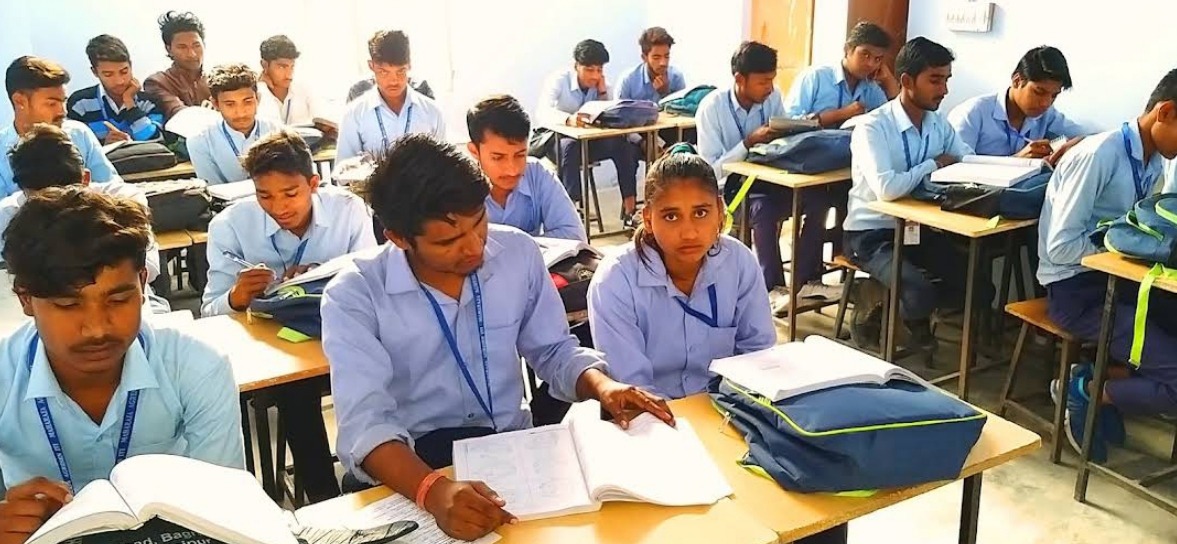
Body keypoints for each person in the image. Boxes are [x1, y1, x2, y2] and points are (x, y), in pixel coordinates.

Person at [321, 133, 674, 541]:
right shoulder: (355, 294)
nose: (474, 247)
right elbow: (366, 425)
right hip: (415, 465)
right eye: (448, 241)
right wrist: (431, 490)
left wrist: (603, 386)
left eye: (479, 224)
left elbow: (554, 351)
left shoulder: (518, 253)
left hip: (512, 453)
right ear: (398, 238)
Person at [0, 187, 244, 542]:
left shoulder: (198, 367)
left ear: (142, 283)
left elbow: (230, 510)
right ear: (25, 299)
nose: (97, 328)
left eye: (118, 300)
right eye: (68, 305)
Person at [201, 129, 375, 502]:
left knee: (388, 369)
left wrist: (326, 277)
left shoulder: (348, 210)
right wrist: (237, 296)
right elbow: (210, 310)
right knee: (296, 392)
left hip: (343, 332)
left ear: (313, 184)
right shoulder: (229, 226)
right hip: (279, 351)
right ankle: (323, 497)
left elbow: (374, 280)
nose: (278, 206)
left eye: (290, 193)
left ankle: (373, 474)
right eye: (264, 195)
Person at [1037, 69, 1177, 462]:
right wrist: (1124, 252)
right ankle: (1087, 391)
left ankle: (1096, 380)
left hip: (1121, 284)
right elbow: (1061, 247)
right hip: (1077, 292)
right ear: (1166, 112)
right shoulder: (1098, 155)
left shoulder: (1154, 160)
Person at [842, 37, 988, 358]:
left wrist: (1016, 165)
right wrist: (933, 164)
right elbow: (887, 189)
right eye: (935, 80)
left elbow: (966, 160)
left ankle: (896, 305)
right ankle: (894, 306)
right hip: (870, 234)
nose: (944, 90)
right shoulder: (873, 127)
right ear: (907, 81)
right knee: (918, 290)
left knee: (976, 283)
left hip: (915, 229)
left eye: (947, 80)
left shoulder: (938, 123)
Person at [696, 41, 840, 312]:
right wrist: (748, 143)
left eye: (772, 80)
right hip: (731, 191)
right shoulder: (711, 108)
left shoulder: (772, 99)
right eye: (763, 82)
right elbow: (710, 172)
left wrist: (793, 131)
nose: (770, 88)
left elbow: (784, 137)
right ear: (739, 79)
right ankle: (772, 288)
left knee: (818, 200)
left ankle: (806, 280)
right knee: (763, 209)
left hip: (771, 180)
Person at [0, 123, 166, 313]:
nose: (54, 213)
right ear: (23, 191)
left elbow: (149, 267)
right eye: (40, 203)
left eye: (66, 199)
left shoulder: (121, 203)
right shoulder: (8, 215)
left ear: (85, 180)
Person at [538, 39, 641, 228]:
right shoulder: (559, 80)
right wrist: (568, 119)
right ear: (576, 66)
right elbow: (542, 112)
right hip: (558, 142)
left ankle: (630, 212)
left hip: (589, 143)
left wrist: (602, 94)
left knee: (623, 147)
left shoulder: (602, 85)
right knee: (570, 147)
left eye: (599, 70)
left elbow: (614, 117)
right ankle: (572, 212)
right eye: (589, 70)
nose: (594, 76)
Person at [466, 95, 584, 241]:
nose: (513, 170)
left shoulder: (537, 174)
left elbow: (574, 236)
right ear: (474, 151)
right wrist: (529, 246)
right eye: (498, 157)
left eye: (520, 155)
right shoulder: (459, 190)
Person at [1, 56, 119, 196]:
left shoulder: (79, 134)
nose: (62, 112)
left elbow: (112, 189)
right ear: (19, 101)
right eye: (51, 104)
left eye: (63, 102)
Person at [949, 46, 1086, 164]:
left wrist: (1070, 146)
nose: (1046, 103)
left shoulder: (1047, 115)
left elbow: (1090, 139)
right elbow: (955, 169)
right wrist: (1016, 161)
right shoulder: (972, 113)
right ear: (1017, 81)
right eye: (1039, 92)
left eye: (1054, 95)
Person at [336, 30, 445, 162]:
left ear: (410, 65)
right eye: (384, 72)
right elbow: (344, 169)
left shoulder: (432, 113)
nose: (393, 81)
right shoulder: (354, 115)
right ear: (371, 66)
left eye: (400, 71)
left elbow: (443, 166)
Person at [783, 21, 898, 127]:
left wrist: (890, 82)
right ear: (847, 50)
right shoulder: (816, 77)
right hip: (813, 143)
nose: (870, 64)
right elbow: (786, 123)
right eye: (865, 55)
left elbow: (893, 124)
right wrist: (838, 115)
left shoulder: (871, 88)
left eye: (877, 59)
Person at [186, 63, 282, 184]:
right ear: (216, 104)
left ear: (258, 99)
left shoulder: (278, 133)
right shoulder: (201, 141)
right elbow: (214, 189)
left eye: (247, 102)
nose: (241, 112)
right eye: (230, 104)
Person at [67, 34, 163, 143]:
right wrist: (103, 145)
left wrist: (130, 104)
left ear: (131, 65)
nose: (119, 81)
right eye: (108, 74)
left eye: (124, 72)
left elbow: (157, 141)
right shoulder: (80, 103)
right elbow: (74, 146)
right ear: (95, 72)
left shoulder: (148, 102)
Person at [257, 35, 330, 134]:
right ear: (264, 65)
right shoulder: (256, 93)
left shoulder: (303, 89)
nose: (289, 74)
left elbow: (323, 118)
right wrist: (262, 87)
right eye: (282, 67)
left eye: (292, 67)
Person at [144, 11, 210, 121]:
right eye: (182, 47)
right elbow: (180, 114)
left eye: (196, 45)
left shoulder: (215, 81)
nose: (192, 54)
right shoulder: (157, 82)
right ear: (169, 49)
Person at [617, 27, 687, 102]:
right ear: (644, 58)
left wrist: (665, 94)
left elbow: (683, 108)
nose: (663, 63)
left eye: (666, 56)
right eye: (656, 58)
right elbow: (618, 109)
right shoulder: (628, 81)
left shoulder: (676, 78)